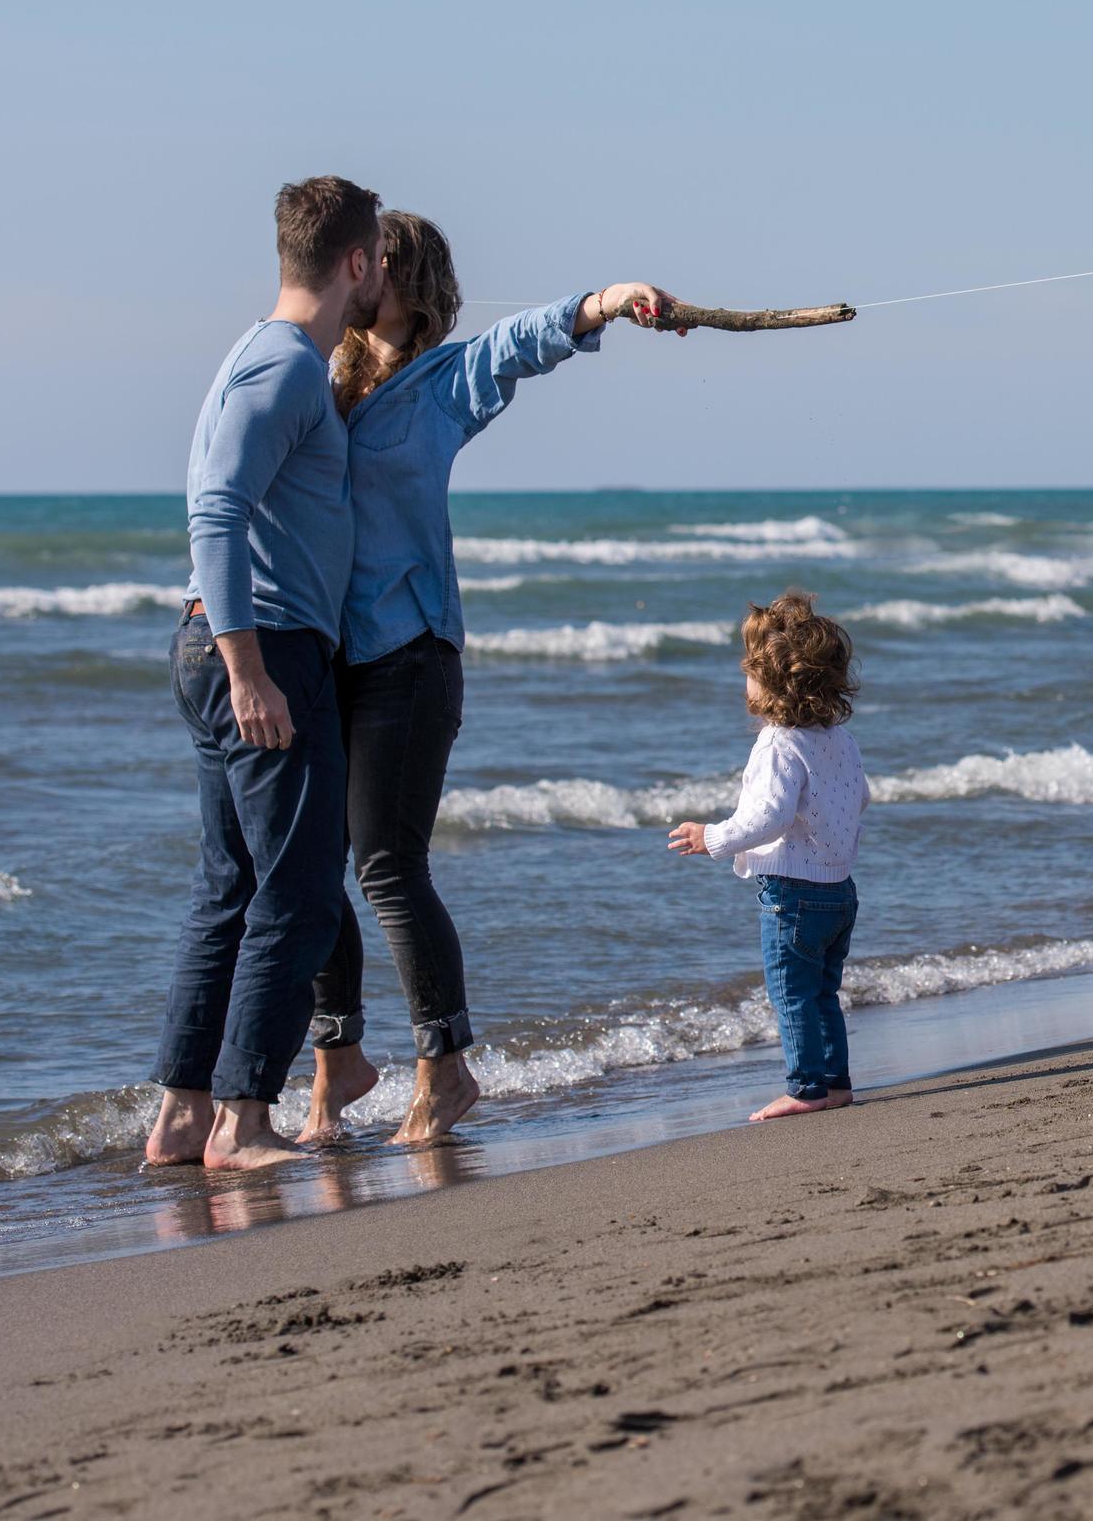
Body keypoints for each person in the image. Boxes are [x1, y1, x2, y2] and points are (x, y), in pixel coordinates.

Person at [296, 210, 681, 1147]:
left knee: (388, 866)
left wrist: (606, 300)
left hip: (413, 652)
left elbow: (523, 343)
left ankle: (447, 1069)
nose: (359, 273)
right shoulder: (324, 379)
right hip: (327, 651)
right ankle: (335, 1065)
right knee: (310, 870)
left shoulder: (444, 381)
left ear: (405, 275)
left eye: (375, 261)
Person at [149, 177, 387, 1172]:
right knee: (294, 892)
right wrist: (250, 670)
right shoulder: (284, 367)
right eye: (379, 262)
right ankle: (243, 1122)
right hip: (260, 648)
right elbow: (213, 511)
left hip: (236, 641)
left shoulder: (263, 355)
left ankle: (178, 1118)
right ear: (355, 264)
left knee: (232, 887)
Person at [665, 594, 869, 1122]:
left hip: (793, 895)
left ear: (775, 683)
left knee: (791, 995)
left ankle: (805, 1088)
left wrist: (712, 837)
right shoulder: (839, 739)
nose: (744, 683)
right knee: (823, 992)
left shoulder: (779, 744)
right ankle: (836, 1084)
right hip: (840, 890)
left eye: (749, 672)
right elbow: (859, 797)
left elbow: (769, 818)